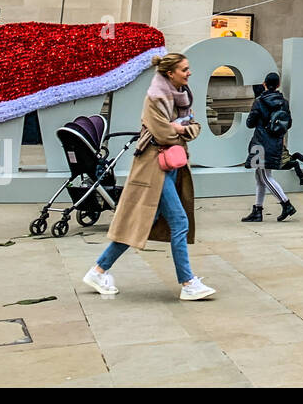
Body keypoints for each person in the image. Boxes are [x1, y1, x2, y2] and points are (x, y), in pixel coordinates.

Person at [81, 53, 216, 301]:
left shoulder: (183, 95)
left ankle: (98, 270)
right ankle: (188, 283)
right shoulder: (155, 98)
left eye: (189, 68)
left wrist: (181, 128)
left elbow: (195, 126)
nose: (189, 73)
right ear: (170, 73)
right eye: (184, 69)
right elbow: (164, 134)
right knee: (179, 222)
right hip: (154, 167)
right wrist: (179, 128)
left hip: (171, 163)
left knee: (143, 221)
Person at [241, 72, 303, 223]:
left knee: (265, 176)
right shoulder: (283, 102)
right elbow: (289, 123)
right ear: (278, 85)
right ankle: (257, 210)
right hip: (276, 143)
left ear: (264, 84)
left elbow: (249, 123)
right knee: (260, 177)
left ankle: (286, 204)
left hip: (260, 143)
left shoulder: (259, 101)